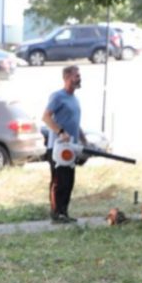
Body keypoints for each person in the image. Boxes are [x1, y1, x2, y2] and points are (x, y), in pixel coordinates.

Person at [42, 65, 86, 224]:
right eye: (76, 75)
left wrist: (83, 139)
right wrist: (60, 132)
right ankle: (55, 213)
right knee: (58, 182)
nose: (79, 78)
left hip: (71, 148)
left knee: (69, 181)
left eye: (79, 75)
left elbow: (75, 123)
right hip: (57, 148)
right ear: (67, 77)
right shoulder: (57, 96)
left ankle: (64, 212)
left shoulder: (75, 99)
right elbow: (46, 117)